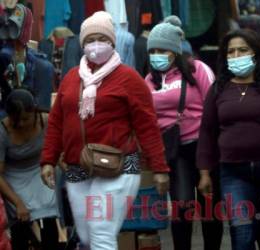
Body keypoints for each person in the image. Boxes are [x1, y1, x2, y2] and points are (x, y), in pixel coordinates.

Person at [40, 11, 170, 250]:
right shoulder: (71, 78)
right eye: (90, 39)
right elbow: (57, 121)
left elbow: (148, 126)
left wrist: (160, 168)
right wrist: (48, 159)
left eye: (102, 39)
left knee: (101, 231)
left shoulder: (129, 79)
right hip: (77, 167)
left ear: (112, 42)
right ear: (82, 44)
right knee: (87, 236)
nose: (96, 45)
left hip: (119, 166)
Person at [197, 28, 260, 250]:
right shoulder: (219, 89)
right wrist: (205, 172)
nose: (236, 56)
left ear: (256, 53)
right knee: (242, 236)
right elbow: (207, 131)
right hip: (234, 174)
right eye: (231, 52)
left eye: (242, 50)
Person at [145, 17, 223, 250]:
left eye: (163, 50)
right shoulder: (149, 80)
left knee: (209, 206)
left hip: (203, 145)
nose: (157, 54)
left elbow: (214, 105)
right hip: (174, 149)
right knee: (181, 205)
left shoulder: (197, 69)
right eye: (153, 50)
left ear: (175, 51)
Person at [0, 89, 59, 250]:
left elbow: (58, 149)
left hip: (39, 170)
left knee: (48, 219)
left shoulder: (45, 120)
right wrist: (18, 202)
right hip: (12, 177)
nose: (20, 124)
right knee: (20, 224)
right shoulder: (2, 131)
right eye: (15, 120)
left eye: (25, 119)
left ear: (35, 112)